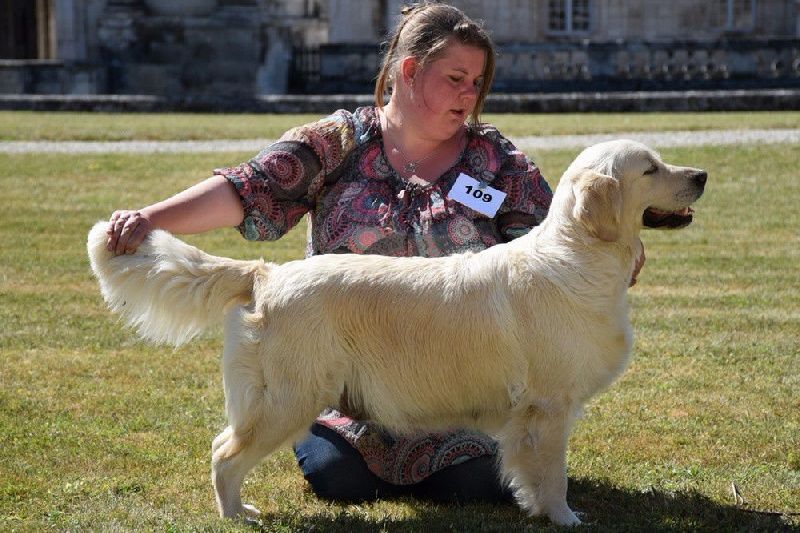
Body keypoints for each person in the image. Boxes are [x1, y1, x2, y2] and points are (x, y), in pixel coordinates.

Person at [105, 2, 643, 505]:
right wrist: (151, 219)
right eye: (454, 79)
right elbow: (246, 190)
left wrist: (621, 248)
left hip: (459, 394)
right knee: (340, 478)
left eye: (476, 84)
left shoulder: (494, 159)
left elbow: (564, 233)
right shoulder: (337, 142)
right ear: (408, 72)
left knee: (475, 481)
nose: (468, 96)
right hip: (348, 383)